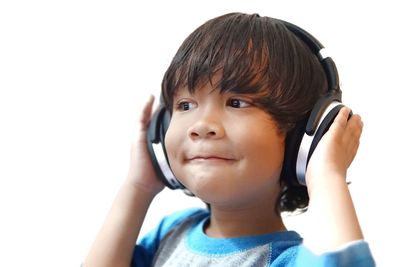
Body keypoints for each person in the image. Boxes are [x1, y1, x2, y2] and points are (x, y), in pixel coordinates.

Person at [84, 13, 375, 266]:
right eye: (185, 105)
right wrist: (137, 187)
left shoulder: (289, 260)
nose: (201, 126)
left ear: (303, 139)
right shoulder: (169, 234)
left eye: (236, 103)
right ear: (158, 132)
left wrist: (326, 176)